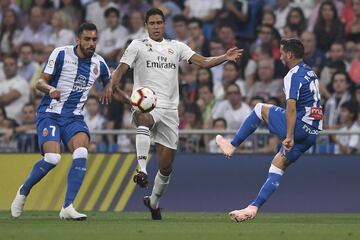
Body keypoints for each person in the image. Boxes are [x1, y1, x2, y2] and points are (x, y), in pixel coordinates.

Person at [101, 8, 242, 220]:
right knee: (143, 118)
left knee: (166, 167)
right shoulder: (137, 45)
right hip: (145, 103)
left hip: (169, 109)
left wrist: (225, 57)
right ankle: (141, 170)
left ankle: (153, 202)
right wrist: (112, 85)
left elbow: (203, 62)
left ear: (163, 25)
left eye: (159, 23)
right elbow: (120, 70)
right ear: (146, 26)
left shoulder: (176, 47)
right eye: (152, 23)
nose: (156, 27)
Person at [10, 23, 111, 220]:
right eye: (87, 39)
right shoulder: (61, 54)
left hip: (74, 117)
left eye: (94, 39)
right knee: (53, 158)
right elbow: (40, 82)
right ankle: (24, 190)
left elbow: (111, 84)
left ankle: (68, 207)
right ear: (78, 40)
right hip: (50, 113)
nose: (92, 43)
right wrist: (51, 90)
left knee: (82, 151)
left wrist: (129, 100)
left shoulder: (99, 63)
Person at [216, 38, 323, 222]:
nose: (280, 57)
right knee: (277, 166)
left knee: (259, 109)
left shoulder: (293, 75)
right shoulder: (310, 73)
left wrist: (289, 135)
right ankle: (253, 207)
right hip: (313, 131)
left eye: (282, 53)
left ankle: (232, 146)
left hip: (298, 127)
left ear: (289, 54)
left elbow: (291, 107)